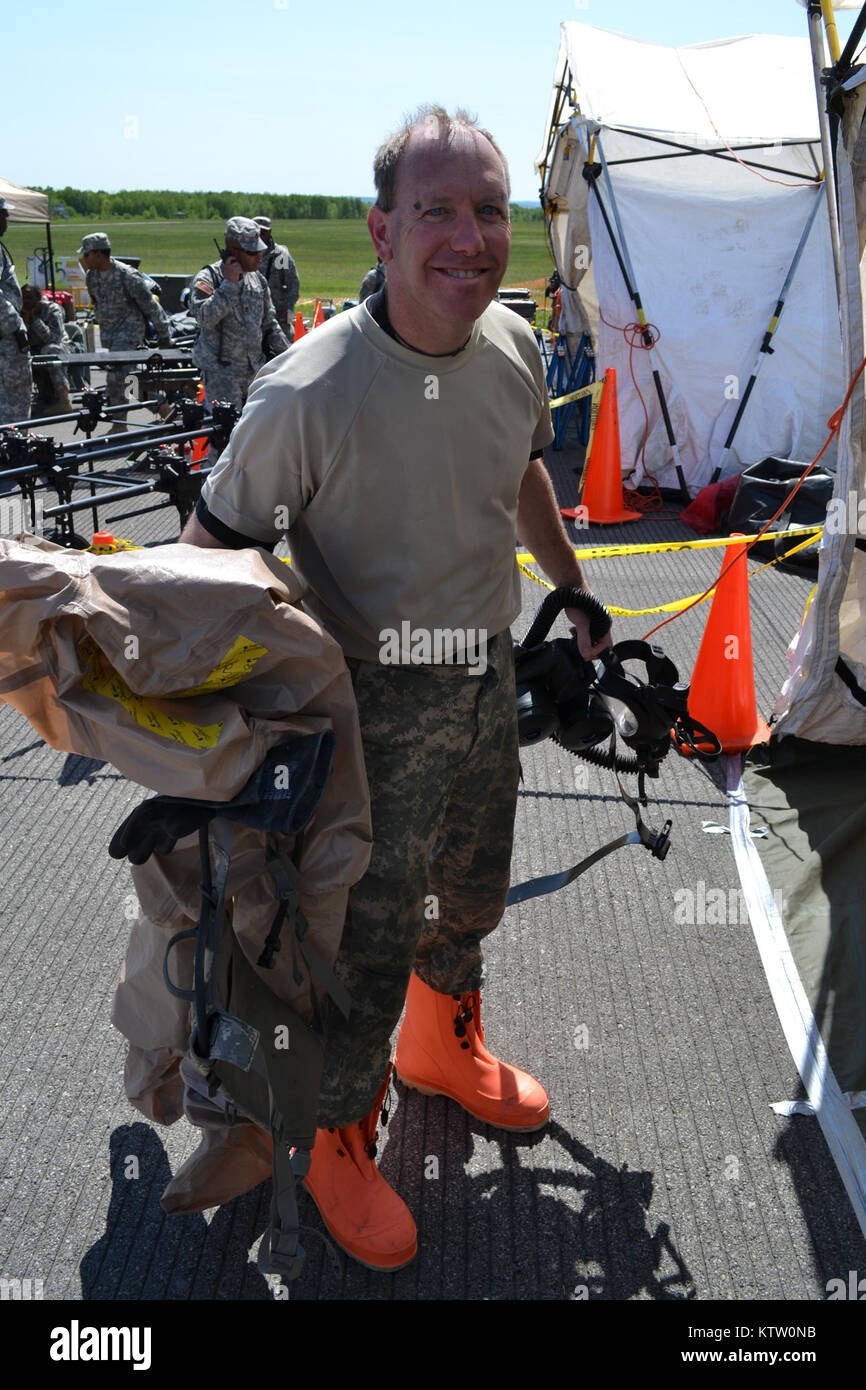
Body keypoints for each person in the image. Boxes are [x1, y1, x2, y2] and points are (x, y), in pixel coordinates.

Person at [178, 104, 611, 1271]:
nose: (469, 237)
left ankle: (441, 1048)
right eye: (437, 212)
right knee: (362, 940)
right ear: (380, 229)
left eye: (488, 210)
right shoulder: (309, 392)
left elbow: (520, 468)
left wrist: (568, 593)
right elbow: (210, 549)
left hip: (480, 675)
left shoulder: (511, 346)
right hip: (363, 706)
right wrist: (273, 684)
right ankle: (330, 1138)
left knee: (468, 894)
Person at [189, 216, 289, 416]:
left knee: (255, 437)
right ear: (233, 252)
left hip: (254, 372)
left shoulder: (258, 280)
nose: (259, 257)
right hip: (222, 377)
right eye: (252, 252)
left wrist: (291, 356)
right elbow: (204, 318)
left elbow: (270, 325)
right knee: (224, 438)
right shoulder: (209, 278)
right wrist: (229, 285)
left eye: (260, 250)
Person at [78, 232, 172, 419]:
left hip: (129, 334)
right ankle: (121, 423)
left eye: (86, 255)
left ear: (98, 253)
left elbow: (151, 306)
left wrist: (164, 335)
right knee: (118, 381)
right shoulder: (92, 277)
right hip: (110, 336)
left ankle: (165, 412)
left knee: (122, 377)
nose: (83, 259)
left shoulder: (127, 276)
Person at [0, 195, 33, 426]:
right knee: (15, 401)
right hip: (6, 342)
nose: (7, 219)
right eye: (3, 214)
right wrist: (13, 326)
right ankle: (14, 458)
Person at [21, 285, 73, 414]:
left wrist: (34, 320)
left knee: (50, 351)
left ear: (38, 299)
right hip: (33, 349)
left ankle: (64, 401)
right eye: (23, 298)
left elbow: (54, 339)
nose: (25, 301)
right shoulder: (19, 311)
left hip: (59, 348)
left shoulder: (52, 309)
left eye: (29, 298)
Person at [252, 216, 299, 338]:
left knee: (283, 348)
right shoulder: (247, 253)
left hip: (277, 314)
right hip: (252, 315)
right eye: (258, 232)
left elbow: (293, 283)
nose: (261, 235)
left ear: (270, 232)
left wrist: (289, 308)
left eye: (264, 232)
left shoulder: (281, 255)